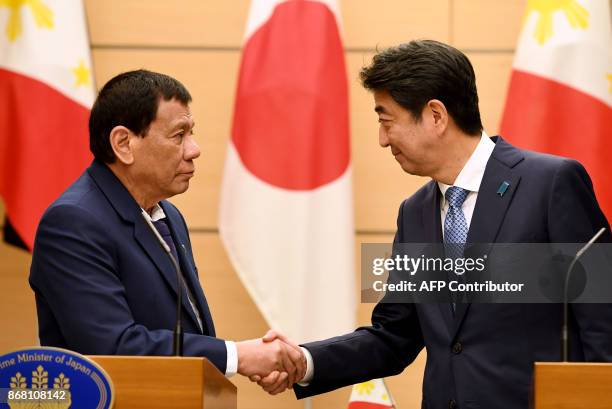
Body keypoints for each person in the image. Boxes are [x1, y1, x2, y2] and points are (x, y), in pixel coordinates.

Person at [252, 40, 612, 408]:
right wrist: (306, 362)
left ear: (436, 115)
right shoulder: (414, 213)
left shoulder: (551, 184)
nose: (381, 139)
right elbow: (394, 336)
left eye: (386, 120)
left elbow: (603, 320)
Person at [29, 70, 305, 385]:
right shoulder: (73, 222)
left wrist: (245, 360)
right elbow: (112, 347)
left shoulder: (168, 215)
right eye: (179, 135)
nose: (194, 149)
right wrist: (237, 356)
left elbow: (184, 331)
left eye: (192, 133)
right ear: (123, 143)